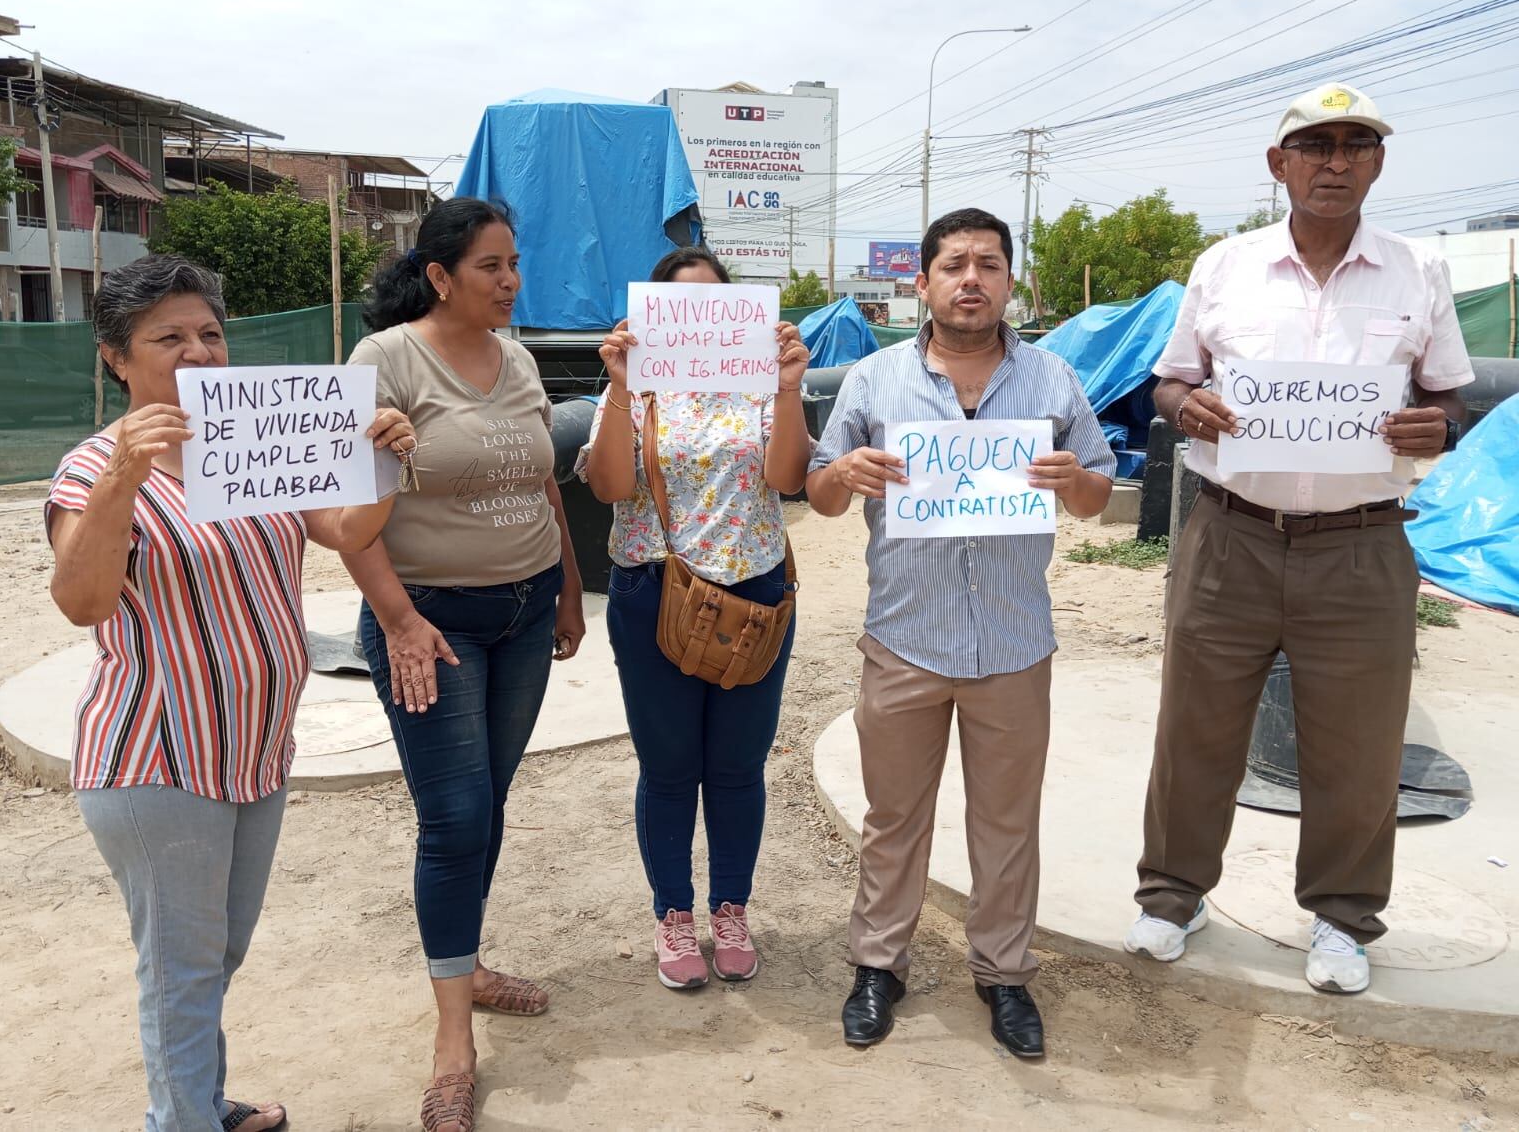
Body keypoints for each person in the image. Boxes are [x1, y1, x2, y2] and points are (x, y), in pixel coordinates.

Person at [46, 255, 416, 1132]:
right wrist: (122, 480)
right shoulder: (92, 467)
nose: (198, 353)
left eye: (209, 333)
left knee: (215, 953)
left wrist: (384, 464)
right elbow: (82, 601)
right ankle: (181, 1121)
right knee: (181, 968)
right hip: (155, 757)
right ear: (116, 358)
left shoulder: (253, 444)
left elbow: (343, 529)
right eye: (166, 338)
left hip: (251, 751)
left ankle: (201, 1101)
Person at [1124, 83, 1474, 994]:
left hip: (1362, 547)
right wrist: (1184, 404)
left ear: (1378, 164)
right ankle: (1172, 897)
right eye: (1315, 146)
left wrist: (1438, 424)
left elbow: (1447, 397)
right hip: (1230, 537)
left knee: (1358, 746)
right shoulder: (1227, 266)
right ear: (1279, 164)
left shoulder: (1417, 271)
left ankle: (1343, 921)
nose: (1336, 161)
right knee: (1195, 728)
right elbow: (1168, 385)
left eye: (1357, 145)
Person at [806, 208, 1114, 1058]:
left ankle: (1005, 974)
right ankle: (879, 966)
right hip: (905, 639)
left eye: (988, 263)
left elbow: (1097, 491)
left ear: (1012, 281)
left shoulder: (1053, 380)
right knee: (894, 815)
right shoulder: (871, 381)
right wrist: (844, 472)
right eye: (953, 264)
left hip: (1014, 644)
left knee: (1007, 820)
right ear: (924, 283)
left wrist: (1072, 480)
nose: (970, 278)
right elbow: (820, 493)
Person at [343, 197, 586, 1132]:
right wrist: (397, 620)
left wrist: (566, 588)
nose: (511, 280)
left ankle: (467, 961)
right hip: (430, 618)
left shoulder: (518, 358)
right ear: (441, 276)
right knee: (453, 819)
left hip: (523, 614)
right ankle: (453, 1043)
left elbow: (541, 485)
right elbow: (349, 509)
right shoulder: (385, 363)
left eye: (515, 263)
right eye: (491, 266)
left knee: (489, 801)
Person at [578, 246, 811, 989]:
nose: (698, 322)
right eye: (679, 308)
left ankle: (730, 907)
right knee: (670, 767)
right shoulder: (637, 392)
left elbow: (788, 479)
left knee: (739, 769)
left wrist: (788, 391)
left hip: (753, 595)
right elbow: (611, 486)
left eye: (714, 305)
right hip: (655, 594)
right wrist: (618, 387)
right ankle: (674, 915)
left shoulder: (761, 390)